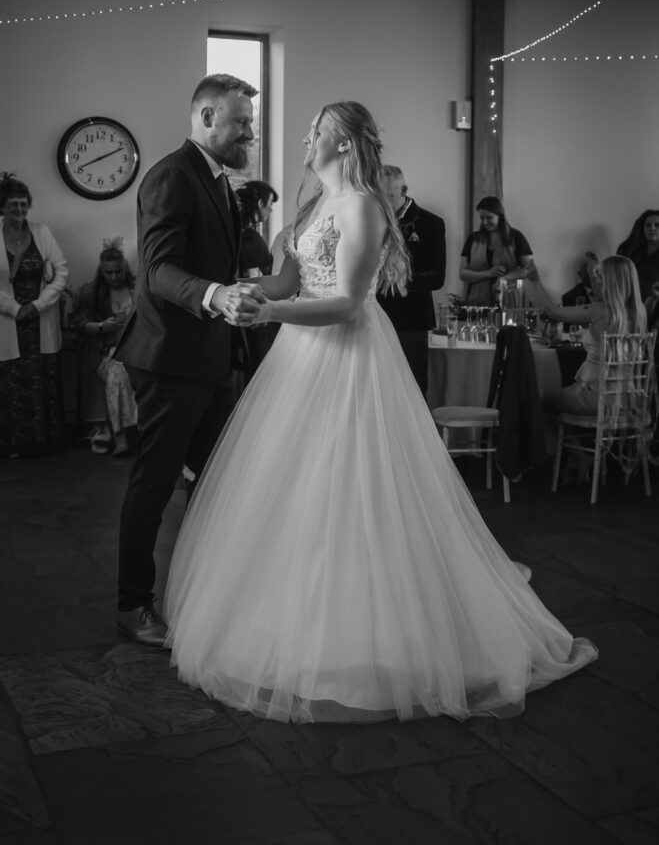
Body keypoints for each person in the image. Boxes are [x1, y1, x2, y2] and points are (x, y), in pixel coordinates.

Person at [164, 101, 597, 724]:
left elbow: (345, 303)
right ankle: (296, 618)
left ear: (343, 143)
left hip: (349, 358)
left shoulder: (363, 206)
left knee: (353, 483)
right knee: (296, 486)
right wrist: (247, 293)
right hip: (299, 359)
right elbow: (289, 282)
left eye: (317, 131)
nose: (306, 139)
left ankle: (374, 631)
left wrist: (272, 313)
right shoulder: (315, 205)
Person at [112, 73, 265, 648]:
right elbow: (158, 270)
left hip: (212, 357)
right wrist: (215, 295)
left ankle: (204, 596)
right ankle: (132, 603)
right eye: (241, 121)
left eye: (250, 122)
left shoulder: (219, 181)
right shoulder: (171, 177)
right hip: (170, 358)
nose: (249, 132)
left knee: (217, 481)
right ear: (206, 118)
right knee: (154, 485)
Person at [527, 255, 646, 484]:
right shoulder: (639, 311)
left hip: (595, 397)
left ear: (613, 281)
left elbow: (553, 312)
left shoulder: (602, 310)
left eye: (601, 276)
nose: (596, 281)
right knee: (564, 397)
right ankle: (579, 460)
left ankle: (579, 457)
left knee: (544, 402)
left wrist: (534, 280)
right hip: (628, 398)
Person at [0, 172, 68, 457]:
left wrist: (37, 306)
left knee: (39, 382)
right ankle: (7, 445)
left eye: (23, 203)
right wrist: (15, 309)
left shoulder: (42, 232)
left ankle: (39, 443)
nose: (19, 208)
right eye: (13, 204)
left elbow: (61, 273)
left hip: (39, 321)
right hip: (4, 321)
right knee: (6, 385)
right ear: (1, 207)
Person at [376, 164, 445, 396]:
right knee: (378, 389)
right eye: (379, 196)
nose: (383, 203)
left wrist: (400, 280)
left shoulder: (430, 223)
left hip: (411, 320)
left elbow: (437, 276)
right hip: (375, 317)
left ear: (404, 190)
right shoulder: (371, 220)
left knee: (411, 389)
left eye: (389, 196)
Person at [70, 239, 138, 456]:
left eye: (118, 272)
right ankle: (121, 437)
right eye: (109, 273)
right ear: (102, 272)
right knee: (117, 374)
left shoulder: (137, 289)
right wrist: (102, 326)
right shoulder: (92, 294)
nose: (114, 277)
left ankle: (147, 435)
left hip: (139, 353)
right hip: (109, 356)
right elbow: (79, 324)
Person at [235, 180, 279, 376]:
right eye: (269, 204)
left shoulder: (237, 235)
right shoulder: (252, 240)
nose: (271, 209)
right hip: (255, 319)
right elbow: (263, 278)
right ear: (260, 204)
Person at [459, 196, 533, 305]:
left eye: (489, 217)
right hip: (477, 302)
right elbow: (462, 273)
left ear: (500, 216)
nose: (484, 222)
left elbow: (529, 269)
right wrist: (487, 273)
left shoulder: (515, 237)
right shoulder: (473, 239)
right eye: (482, 218)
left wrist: (505, 278)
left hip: (509, 299)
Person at [617, 209, 659, 299]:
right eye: (648, 225)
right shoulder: (632, 251)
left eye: (657, 225)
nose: (652, 228)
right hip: (630, 301)